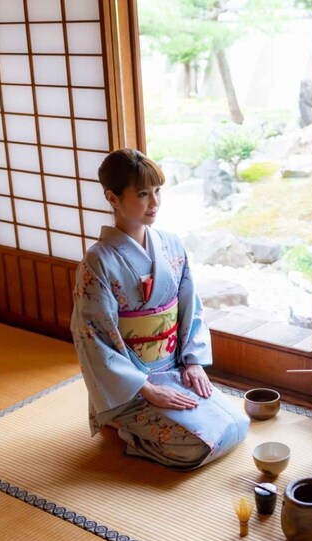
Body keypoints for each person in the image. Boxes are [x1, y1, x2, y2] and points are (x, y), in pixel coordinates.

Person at [71, 149, 249, 469]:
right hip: (130, 386)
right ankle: (123, 427)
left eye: (157, 191)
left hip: (174, 369)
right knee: (197, 448)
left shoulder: (171, 244)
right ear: (112, 197)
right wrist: (146, 388)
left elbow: (190, 307)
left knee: (235, 426)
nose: (154, 202)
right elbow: (92, 337)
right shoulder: (97, 262)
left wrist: (193, 362)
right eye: (142, 193)